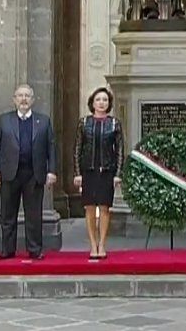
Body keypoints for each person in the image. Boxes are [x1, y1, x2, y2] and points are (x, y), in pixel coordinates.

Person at [0, 84, 57, 260]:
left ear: (33, 100)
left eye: (27, 96)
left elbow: (51, 147)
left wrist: (51, 171)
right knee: (8, 214)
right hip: (10, 173)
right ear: (14, 99)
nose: (23, 99)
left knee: (34, 214)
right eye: (20, 96)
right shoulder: (5, 120)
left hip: (34, 174)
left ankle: (35, 249)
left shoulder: (43, 121)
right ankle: (7, 250)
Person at [73, 87, 125, 260]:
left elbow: (120, 150)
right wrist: (77, 173)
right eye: (98, 100)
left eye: (105, 100)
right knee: (89, 208)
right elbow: (77, 149)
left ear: (109, 103)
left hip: (107, 171)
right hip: (88, 170)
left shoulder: (114, 123)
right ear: (92, 103)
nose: (101, 103)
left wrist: (118, 173)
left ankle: (102, 244)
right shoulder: (84, 123)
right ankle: (93, 244)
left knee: (104, 207)